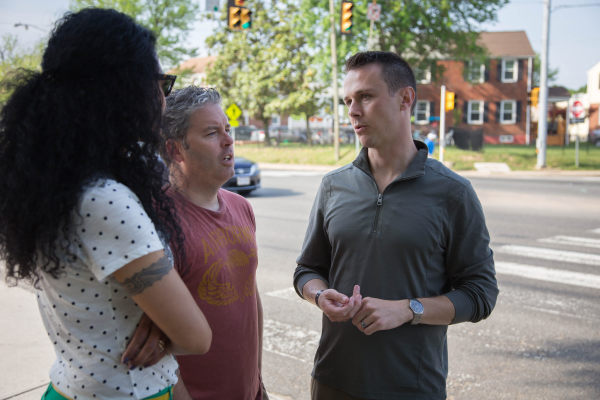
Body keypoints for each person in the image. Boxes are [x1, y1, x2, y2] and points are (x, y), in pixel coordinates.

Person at [0, 8, 211, 400]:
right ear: (125, 92)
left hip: (72, 385)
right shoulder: (103, 200)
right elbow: (196, 337)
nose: (164, 101)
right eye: (160, 84)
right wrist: (169, 325)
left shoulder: (55, 186)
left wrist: (157, 316)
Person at [293, 51, 498, 400]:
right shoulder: (333, 185)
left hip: (411, 387)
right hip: (331, 380)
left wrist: (408, 309)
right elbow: (307, 270)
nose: (353, 111)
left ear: (405, 99)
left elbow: (480, 294)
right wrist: (318, 295)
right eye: (348, 101)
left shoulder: (453, 193)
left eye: (366, 97)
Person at [125, 86, 266, 400]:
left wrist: (258, 383)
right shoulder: (154, 221)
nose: (229, 140)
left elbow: (249, 296)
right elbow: (149, 341)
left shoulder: (241, 206)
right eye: (212, 132)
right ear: (176, 150)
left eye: (227, 130)